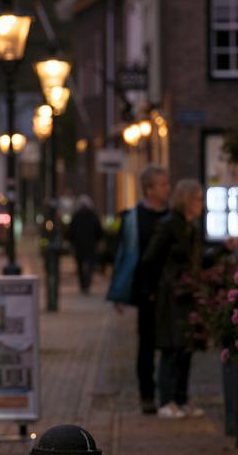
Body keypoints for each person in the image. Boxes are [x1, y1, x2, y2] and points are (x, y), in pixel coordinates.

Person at [139, 178, 214, 419]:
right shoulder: (170, 225)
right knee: (172, 347)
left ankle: (181, 399)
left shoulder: (190, 227)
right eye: (198, 199)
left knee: (186, 347)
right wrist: (152, 289)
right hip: (172, 295)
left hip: (187, 294)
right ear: (187, 200)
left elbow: (199, 261)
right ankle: (167, 401)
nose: (201, 204)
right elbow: (151, 258)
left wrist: (224, 251)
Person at [106, 165, 172, 414]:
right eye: (163, 184)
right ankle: (147, 394)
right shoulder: (133, 218)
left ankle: (170, 394)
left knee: (171, 342)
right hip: (146, 290)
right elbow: (123, 254)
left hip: (171, 289)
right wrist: (119, 292)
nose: (168, 188)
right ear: (149, 189)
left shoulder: (172, 215)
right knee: (146, 342)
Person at [67, 195, 101, 293]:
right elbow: (99, 231)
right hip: (91, 245)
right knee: (90, 265)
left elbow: (70, 231)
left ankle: (83, 284)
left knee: (80, 265)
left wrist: (72, 241)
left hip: (79, 245)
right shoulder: (93, 216)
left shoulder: (76, 216)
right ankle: (87, 283)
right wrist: (97, 240)